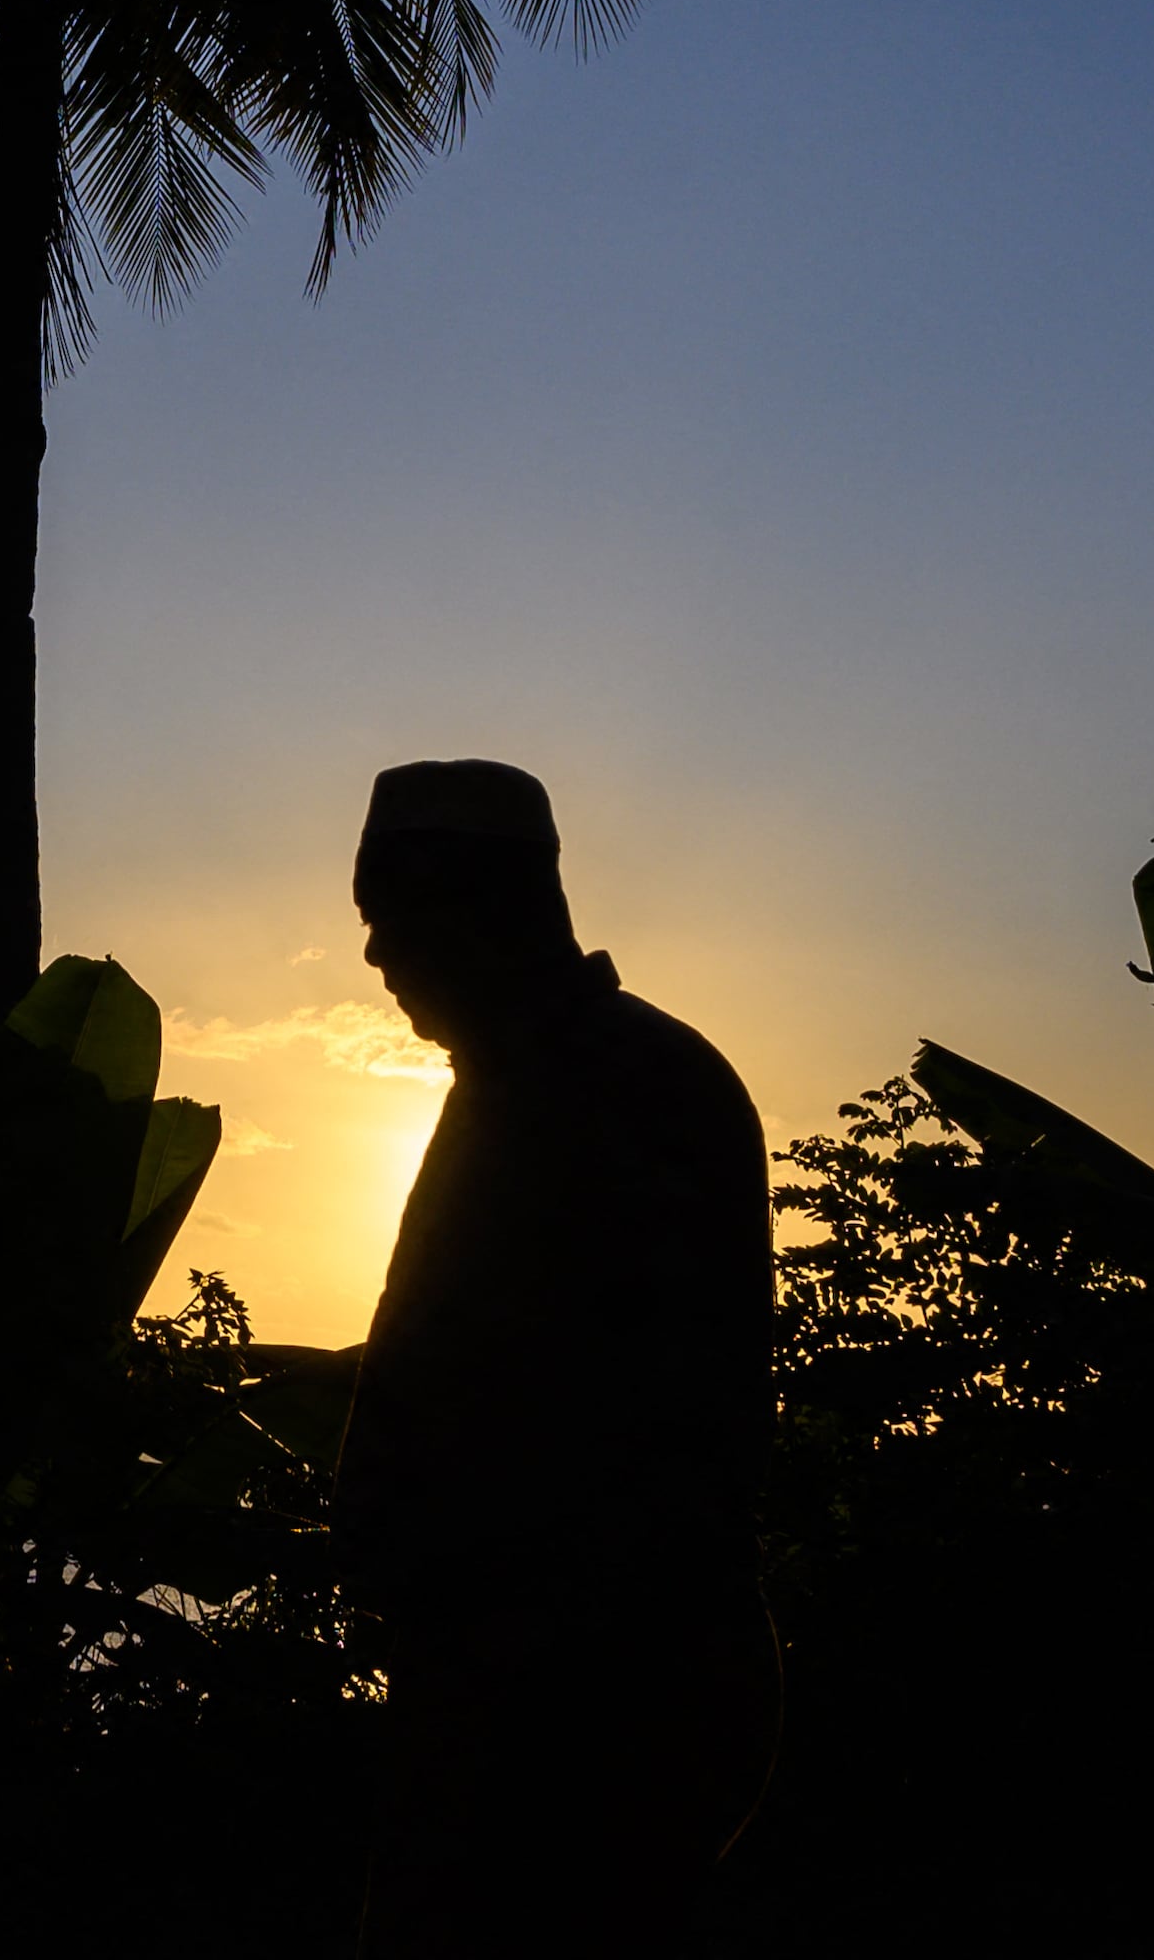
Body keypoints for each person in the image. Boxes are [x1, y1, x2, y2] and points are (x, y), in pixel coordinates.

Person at [336, 759, 778, 1952]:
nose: (374, 958)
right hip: (537, 1677)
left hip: (586, 1692)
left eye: (388, 918)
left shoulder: (616, 1088)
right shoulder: (529, 1083)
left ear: (476, 907)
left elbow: (622, 1407)